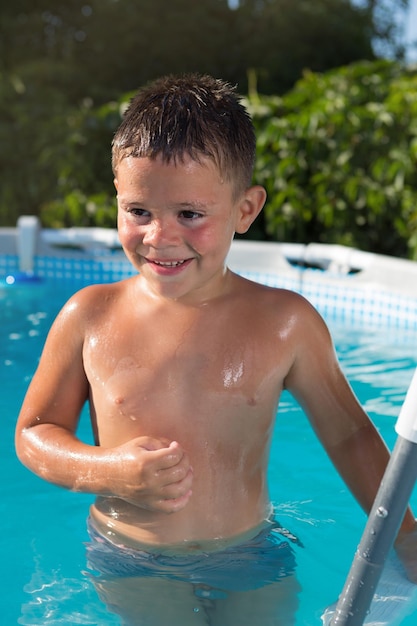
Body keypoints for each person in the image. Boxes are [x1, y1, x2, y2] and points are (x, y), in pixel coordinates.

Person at [15, 74, 417, 626]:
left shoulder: (285, 323)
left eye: (189, 214)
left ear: (246, 210)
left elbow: (349, 434)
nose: (160, 236)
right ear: (116, 199)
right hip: (132, 557)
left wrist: (407, 536)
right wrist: (107, 470)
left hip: (250, 553)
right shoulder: (90, 316)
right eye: (139, 212)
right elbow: (35, 433)